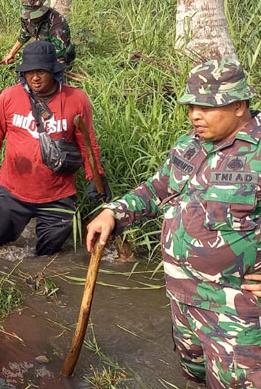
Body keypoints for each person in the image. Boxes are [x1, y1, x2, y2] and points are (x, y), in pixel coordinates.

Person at [86, 59, 261, 388]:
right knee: (193, 378)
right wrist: (113, 213)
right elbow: (156, 190)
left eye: (207, 106)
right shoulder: (189, 145)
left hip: (238, 314)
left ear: (239, 106)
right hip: (183, 303)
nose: (195, 114)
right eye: (192, 105)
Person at [0, 41, 109, 255]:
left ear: (54, 72)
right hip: (13, 192)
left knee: (49, 257)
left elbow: (87, 144)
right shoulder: (9, 97)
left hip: (58, 195)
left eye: (41, 71)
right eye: (29, 72)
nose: (35, 77)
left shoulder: (77, 99)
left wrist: (96, 177)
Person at [2, 0, 75, 68]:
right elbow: (24, 35)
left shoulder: (56, 22)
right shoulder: (27, 18)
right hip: (42, 48)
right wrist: (11, 54)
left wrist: (35, 59)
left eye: (33, 15)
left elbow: (60, 50)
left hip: (58, 54)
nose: (30, 19)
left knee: (46, 72)